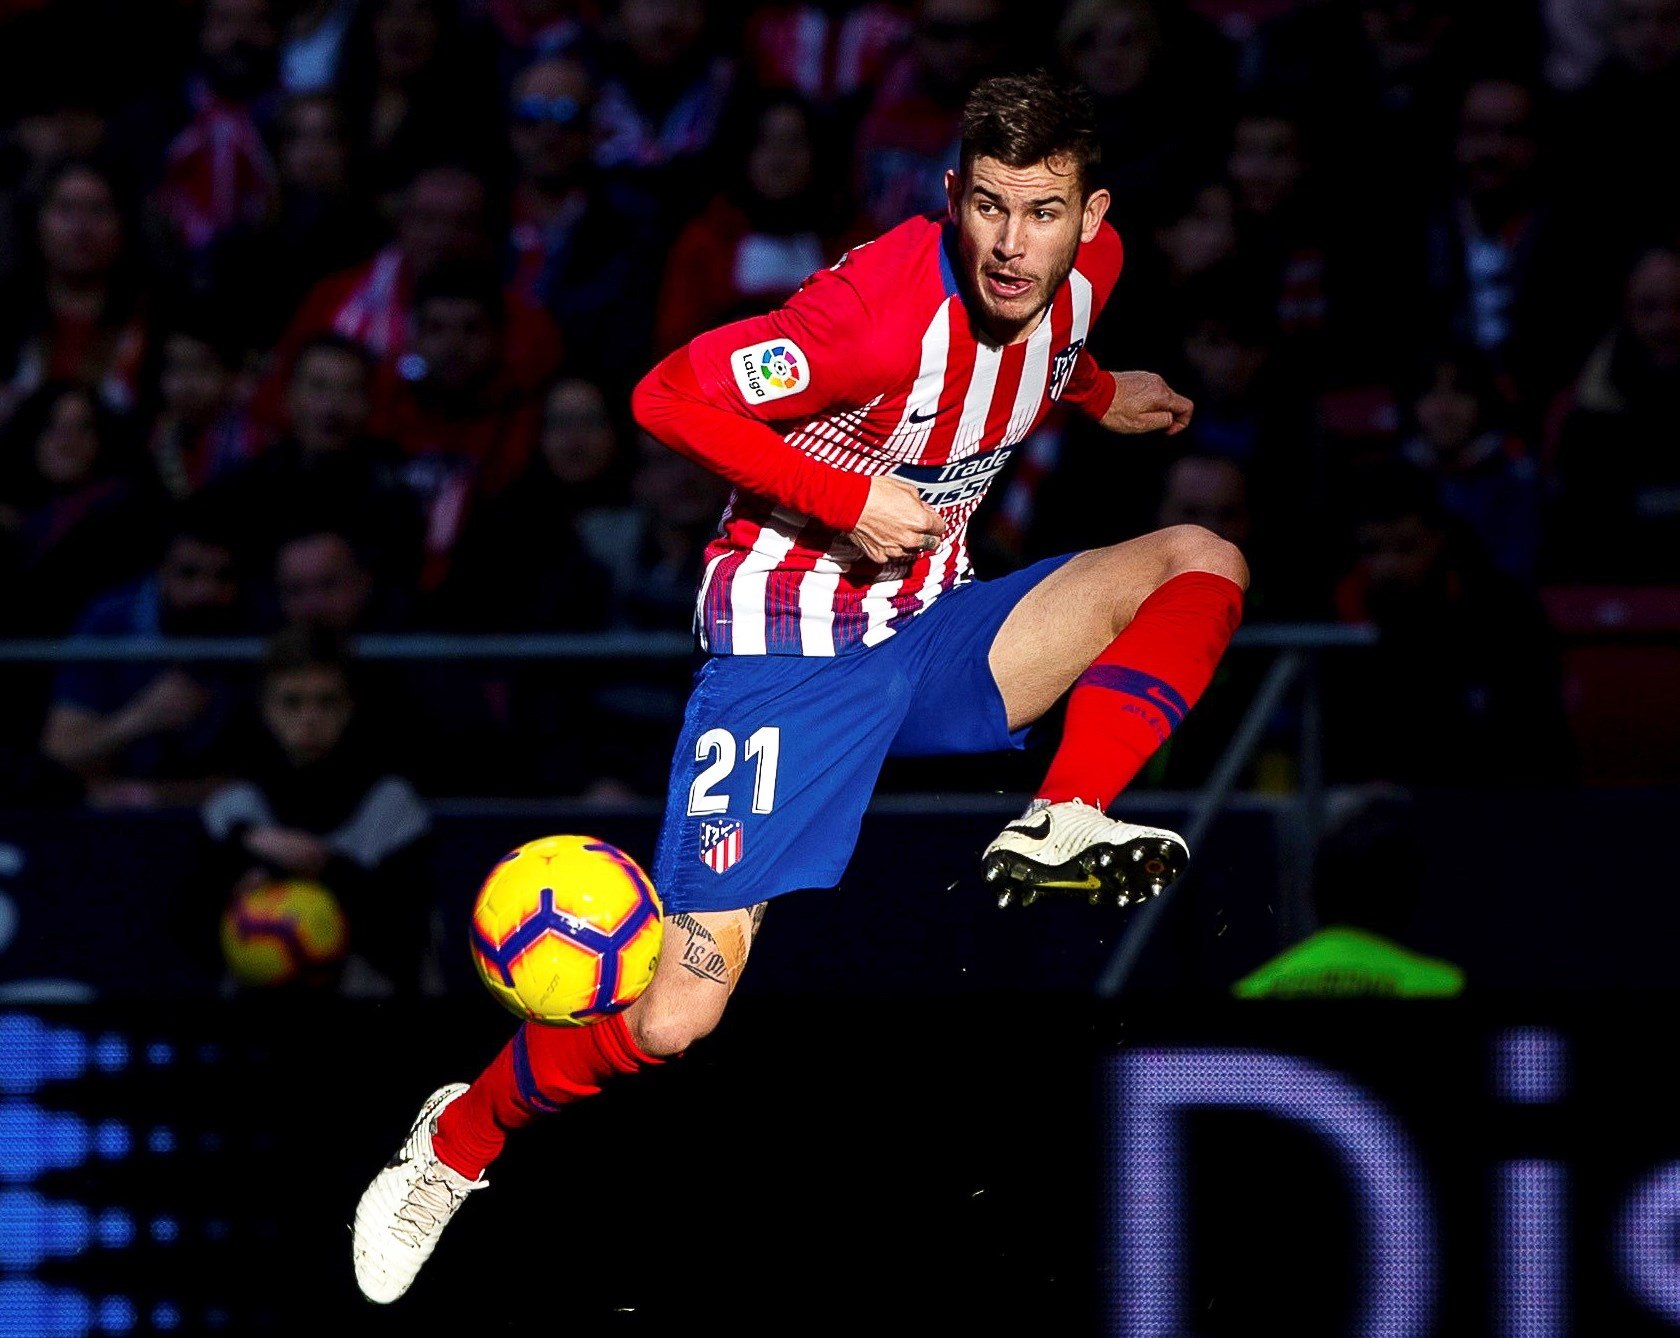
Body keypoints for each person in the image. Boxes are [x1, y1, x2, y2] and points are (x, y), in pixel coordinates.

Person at [350, 71, 1248, 1303]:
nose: (1009, 243)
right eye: (986, 208)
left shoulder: (1090, 279)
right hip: (787, 659)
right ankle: (459, 1142)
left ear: (1092, 220)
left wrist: (1101, 396)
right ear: (952, 196)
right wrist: (847, 497)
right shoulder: (876, 318)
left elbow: (1055, 348)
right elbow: (662, 393)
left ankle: (1067, 813)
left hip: (933, 629)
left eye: (1042, 214)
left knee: (1202, 560)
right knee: (675, 1021)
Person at [193, 624, 434, 996]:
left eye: (326, 702)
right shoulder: (231, 810)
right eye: (292, 702)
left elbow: (407, 935)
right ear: (266, 708)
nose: (309, 718)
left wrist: (319, 867)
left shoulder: (394, 806)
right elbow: (190, 932)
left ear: (350, 706)